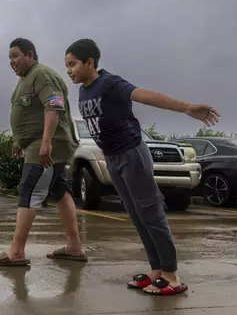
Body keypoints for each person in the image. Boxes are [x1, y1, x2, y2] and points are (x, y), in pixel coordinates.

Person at [64, 38, 220, 296]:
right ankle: (157, 270)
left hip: (132, 154)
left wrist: (187, 108)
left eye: (73, 64)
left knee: (151, 213)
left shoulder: (110, 83)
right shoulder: (84, 91)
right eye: (67, 66)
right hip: (113, 158)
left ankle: (171, 275)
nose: (69, 70)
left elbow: (143, 95)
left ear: (90, 62)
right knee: (136, 216)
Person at [0, 37, 87, 267]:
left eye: (15, 56)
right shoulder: (25, 80)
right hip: (34, 144)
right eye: (9, 57)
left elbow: (54, 105)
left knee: (29, 190)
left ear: (30, 55)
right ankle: (74, 247)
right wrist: (18, 140)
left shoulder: (42, 74)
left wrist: (46, 142)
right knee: (60, 191)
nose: (12, 61)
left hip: (47, 147)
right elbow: (27, 112)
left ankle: (16, 251)